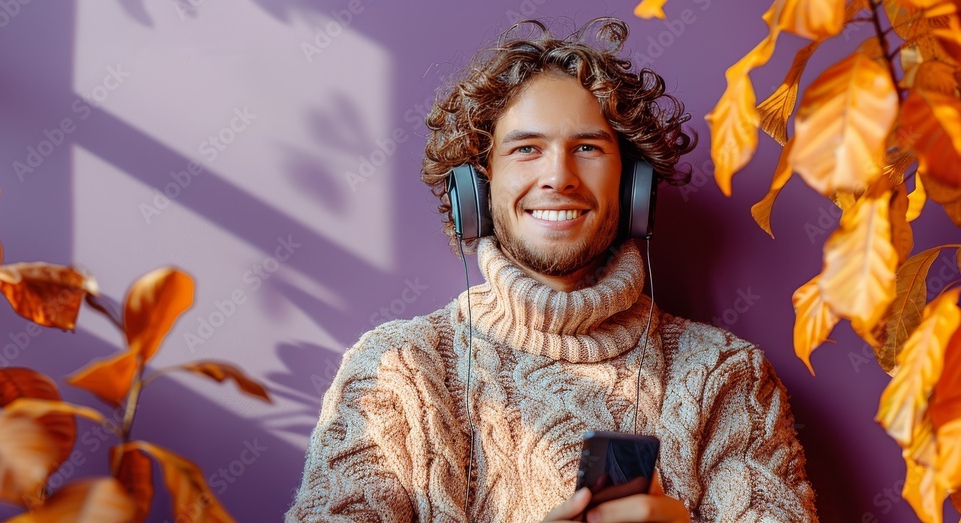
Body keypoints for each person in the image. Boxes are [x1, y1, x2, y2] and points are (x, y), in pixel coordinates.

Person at [286, 17, 816, 523]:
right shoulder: (396, 372)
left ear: (633, 187)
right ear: (477, 186)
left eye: (587, 148)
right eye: (526, 149)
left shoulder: (727, 377)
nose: (558, 177)